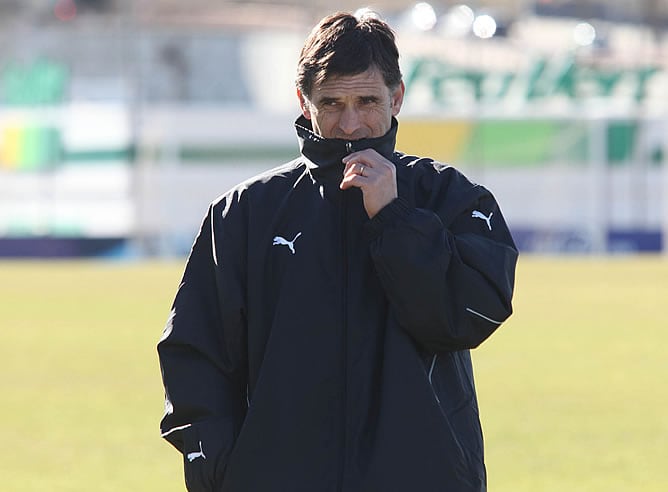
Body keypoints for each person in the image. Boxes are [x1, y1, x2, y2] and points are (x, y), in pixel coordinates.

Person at [158, 10, 518, 492]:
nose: (350, 124)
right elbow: (195, 352)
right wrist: (221, 468)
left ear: (397, 98)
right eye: (332, 103)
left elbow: (468, 317)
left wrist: (394, 218)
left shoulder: (451, 198)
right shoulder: (243, 213)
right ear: (304, 103)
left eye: (367, 101)